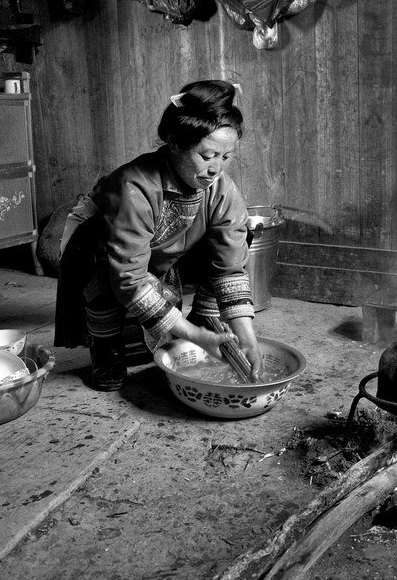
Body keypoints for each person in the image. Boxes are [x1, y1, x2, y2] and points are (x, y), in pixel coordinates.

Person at [53, 80, 261, 391]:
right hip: (105, 256)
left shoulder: (221, 189)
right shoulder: (133, 187)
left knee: (238, 240)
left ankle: (205, 318)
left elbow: (230, 266)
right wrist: (192, 337)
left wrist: (247, 339)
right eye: (207, 156)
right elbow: (129, 277)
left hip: (165, 254)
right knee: (103, 267)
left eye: (226, 157)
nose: (216, 168)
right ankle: (106, 346)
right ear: (175, 144)